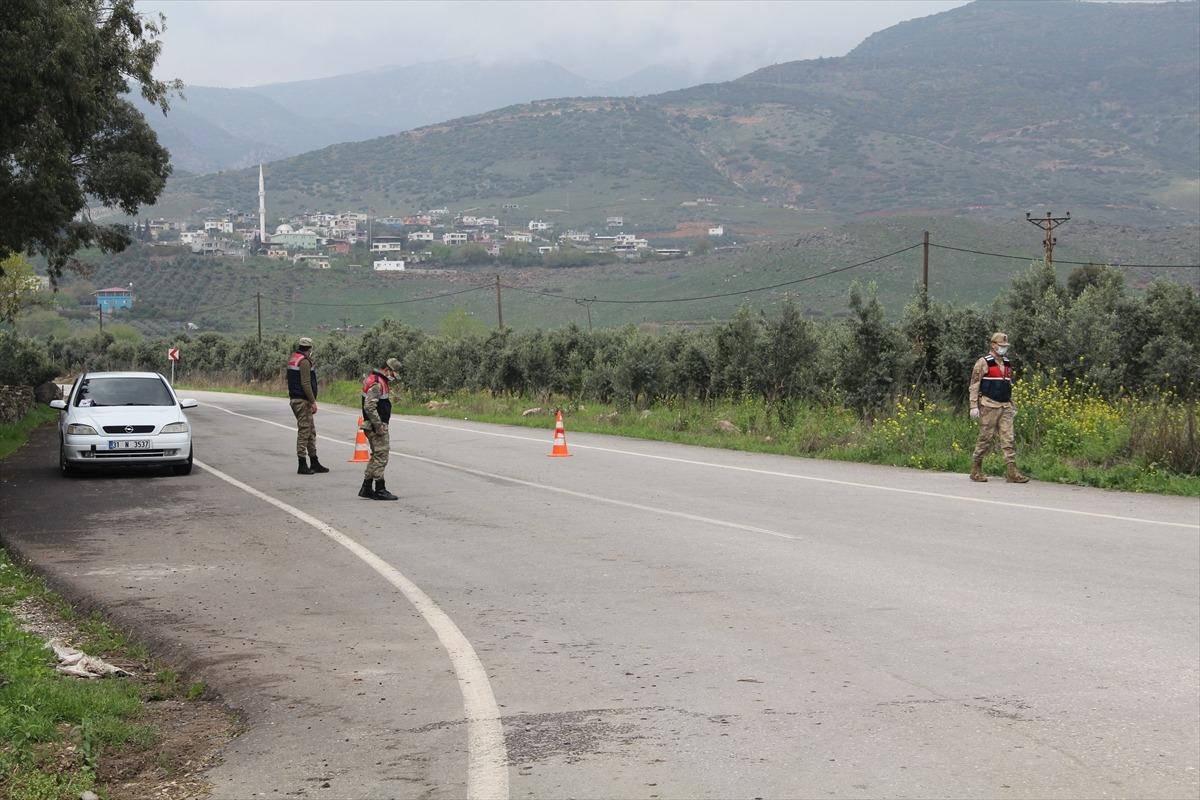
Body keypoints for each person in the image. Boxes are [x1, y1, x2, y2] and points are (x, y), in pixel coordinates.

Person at [968, 332, 1030, 483]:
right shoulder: (983, 362)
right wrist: (973, 406)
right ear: (993, 345)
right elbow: (974, 385)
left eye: (1005, 346)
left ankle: (1012, 472)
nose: (1003, 349)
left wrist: (1012, 404)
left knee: (1009, 439)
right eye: (1001, 346)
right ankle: (976, 469)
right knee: (985, 438)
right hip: (989, 406)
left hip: (1005, 406)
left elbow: (1008, 385)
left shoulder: (1007, 363)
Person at [359, 357, 401, 501]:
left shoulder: (376, 380)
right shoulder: (377, 383)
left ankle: (366, 487)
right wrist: (379, 426)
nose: (394, 377)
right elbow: (369, 407)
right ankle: (380, 489)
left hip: (372, 424)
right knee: (381, 456)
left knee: (376, 456)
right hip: (376, 426)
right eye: (393, 373)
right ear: (387, 369)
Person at [287, 337, 329, 475]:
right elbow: (305, 383)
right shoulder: (304, 361)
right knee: (305, 431)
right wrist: (312, 401)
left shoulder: (294, 358)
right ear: (310, 348)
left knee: (311, 431)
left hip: (296, 398)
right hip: (302, 400)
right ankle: (302, 463)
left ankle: (314, 461)